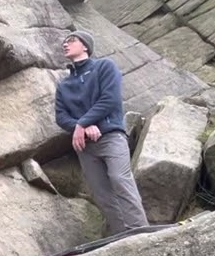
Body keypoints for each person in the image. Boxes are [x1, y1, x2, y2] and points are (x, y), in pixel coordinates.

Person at [54, 31, 148, 235]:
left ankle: (141, 231)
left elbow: (110, 99)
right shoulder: (64, 85)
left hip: (111, 137)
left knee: (120, 179)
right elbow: (61, 117)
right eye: (64, 42)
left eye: (71, 40)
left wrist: (83, 123)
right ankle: (123, 235)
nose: (65, 44)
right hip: (85, 147)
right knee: (102, 193)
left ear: (85, 46)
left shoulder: (104, 67)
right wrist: (83, 125)